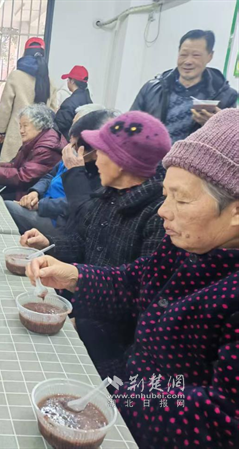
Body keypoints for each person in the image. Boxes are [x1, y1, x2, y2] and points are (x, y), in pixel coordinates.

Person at [26, 108, 239, 449]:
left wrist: (121, 395)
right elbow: (136, 281)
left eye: (181, 199)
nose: (163, 210)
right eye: (166, 194)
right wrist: (76, 275)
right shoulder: (189, 244)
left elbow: (222, 415)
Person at [20, 111, 170, 267]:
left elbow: (132, 278)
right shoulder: (111, 194)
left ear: (120, 161)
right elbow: (86, 243)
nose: (97, 160)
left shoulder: (157, 216)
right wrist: (49, 243)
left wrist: (77, 275)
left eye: (101, 152)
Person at [5, 108, 117, 235]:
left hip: (59, 219)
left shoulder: (99, 170)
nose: (70, 148)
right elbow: (49, 175)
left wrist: (41, 205)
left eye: (25, 125)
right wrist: (35, 192)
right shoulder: (71, 154)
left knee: (8, 208)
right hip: (44, 203)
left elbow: (79, 203)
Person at [131, 29, 238, 143]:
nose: (188, 61)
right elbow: (128, 125)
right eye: (183, 54)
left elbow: (231, 144)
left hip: (193, 155)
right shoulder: (152, 88)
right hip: (151, 153)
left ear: (210, 56)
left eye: (196, 55)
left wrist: (215, 127)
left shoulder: (225, 97)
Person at [0, 104, 66, 200]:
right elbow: (16, 165)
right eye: (20, 126)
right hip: (21, 188)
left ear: (39, 125)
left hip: (29, 194)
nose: (21, 131)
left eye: (25, 126)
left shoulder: (46, 147)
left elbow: (23, 176)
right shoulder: (37, 139)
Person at [0, 38, 58, 163]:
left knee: (9, 170)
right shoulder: (49, 81)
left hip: (17, 133)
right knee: (33, 170)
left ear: (25, 53)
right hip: (40, 138)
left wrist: (1, 131)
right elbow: (52, 111)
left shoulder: (16, 76)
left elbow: (5, 107)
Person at [54, 65, 92, 139]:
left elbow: (57, 126)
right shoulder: (88, 100)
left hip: (67, 141)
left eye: (68, 79)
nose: (67, 82)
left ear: (72, 81)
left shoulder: (69, 104)